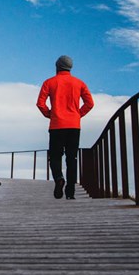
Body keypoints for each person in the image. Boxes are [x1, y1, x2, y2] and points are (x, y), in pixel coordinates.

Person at [36, 55, 94, 199]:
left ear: (57, 66)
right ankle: (70, 193)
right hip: (74, 126)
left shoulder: (49, 82)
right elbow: (90, 103)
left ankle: (59, 178)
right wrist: (78, 114)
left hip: (56, 126)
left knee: (55, 157)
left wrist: (50, 115)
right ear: (70, 67)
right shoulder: (79, 83)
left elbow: (40, 103)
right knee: (71, 158)